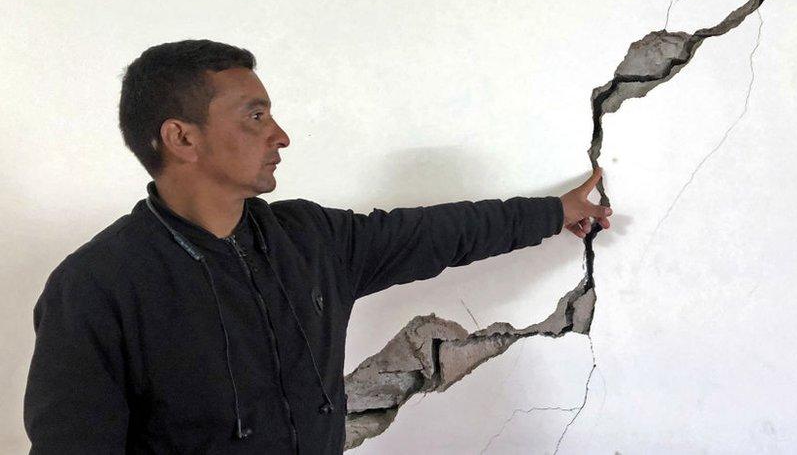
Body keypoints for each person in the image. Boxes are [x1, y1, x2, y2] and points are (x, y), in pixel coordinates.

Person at [22, 40, 613, 454]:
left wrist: (554, 211)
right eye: (255, 116)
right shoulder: (95, 289)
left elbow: (437, 232)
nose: (280, 135)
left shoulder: (308, 240)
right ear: (182, 138)